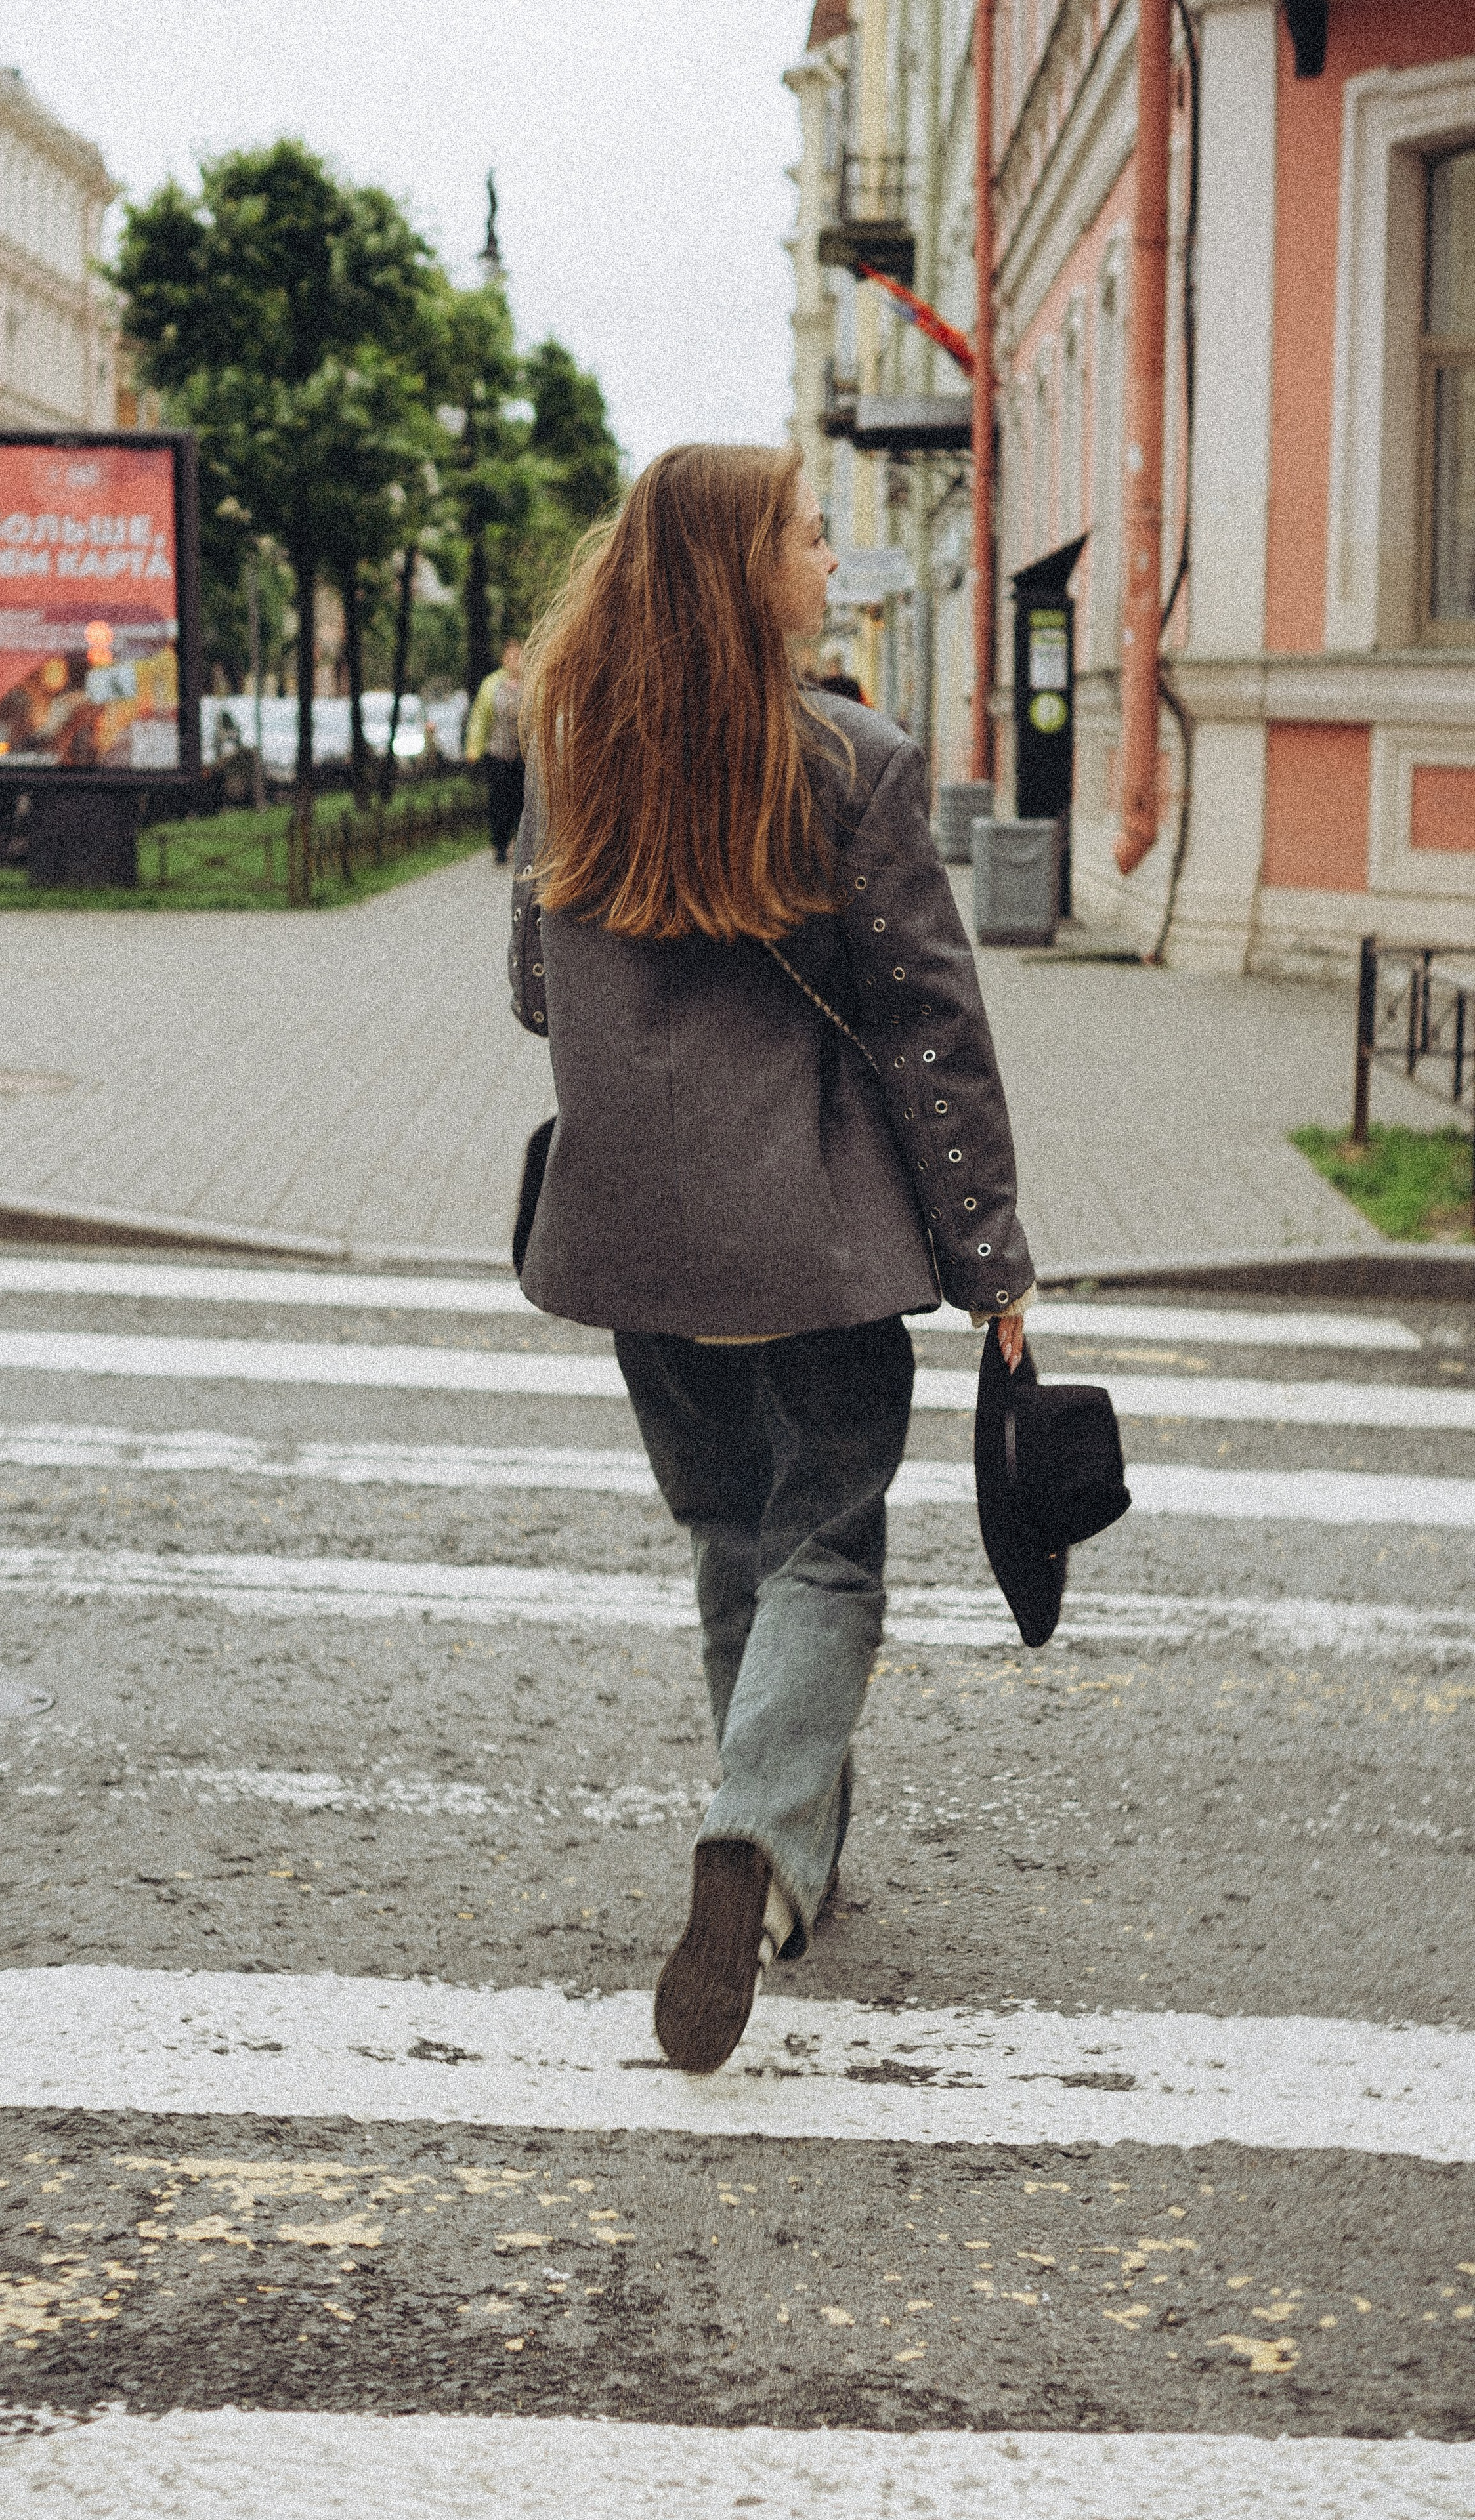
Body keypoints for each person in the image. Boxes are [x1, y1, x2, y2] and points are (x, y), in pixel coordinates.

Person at [508, 444, 1033, 2075]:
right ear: (745, 570)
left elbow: (534, 991)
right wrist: (993, 1262)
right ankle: (753, 1832)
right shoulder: (854, 764)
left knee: (728, 1523)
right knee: (825, 1546)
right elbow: (931, 1039)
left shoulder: (568, 750)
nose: (828, 556)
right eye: (809, 535)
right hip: (813, 1239)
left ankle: (787, 1855)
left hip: (630, 1226)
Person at [466, 636, 526, 866]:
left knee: (521, 801)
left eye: (519, 656)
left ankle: (521, 845)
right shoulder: (491, 684)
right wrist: (474, 747)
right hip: (497, 752)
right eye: (511, 656)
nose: (515, 661)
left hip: (523, 754)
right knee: (499, 801)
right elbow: (480, 719)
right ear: (504, 660)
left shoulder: (532, 682)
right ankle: (500, 846)